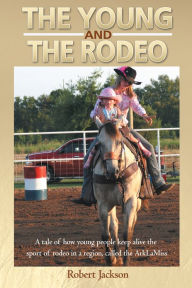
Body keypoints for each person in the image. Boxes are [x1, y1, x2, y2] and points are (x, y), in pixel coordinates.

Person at [73, 66, 174, 205]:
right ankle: (86, 195)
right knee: (87, 158)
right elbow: (95, 110)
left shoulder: (130, 95)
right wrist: (97, 118)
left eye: (130, 82)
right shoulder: (107, 93)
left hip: (123, 127)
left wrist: (144, 115)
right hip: (107, 130)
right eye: (126, 81)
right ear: (121, 79)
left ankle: (158, 183)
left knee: (149, 147)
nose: (128, 84)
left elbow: (137, 106)